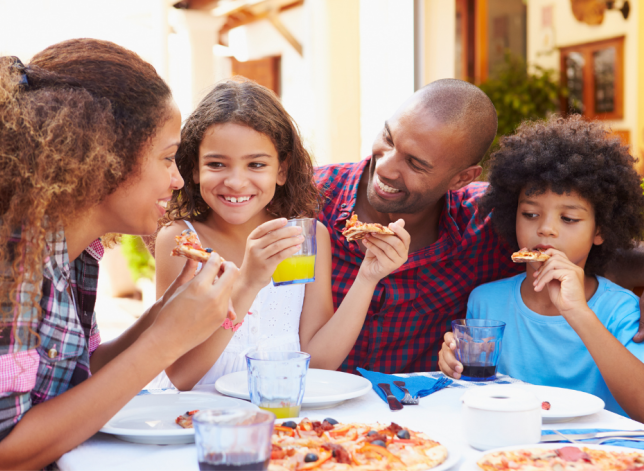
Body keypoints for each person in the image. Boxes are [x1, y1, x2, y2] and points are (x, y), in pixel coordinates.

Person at [0, 40, 239, 470]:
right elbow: (7, 452)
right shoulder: (13, 262)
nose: (179, 180)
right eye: (167, 158)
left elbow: (74, 376)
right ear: (107, 162)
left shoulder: (76, 255)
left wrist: (164, 314)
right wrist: (167, 343)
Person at [315, 78, 644, 375]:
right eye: (388, 138)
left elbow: (591, 244)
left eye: (415, 163)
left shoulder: (487, 222)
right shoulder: (309, 200)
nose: (385, 167)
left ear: (462, 179)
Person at [152, 78, 410, 391]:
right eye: (217, 164)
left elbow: (317, 362)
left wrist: (368, 277)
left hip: (281, 416)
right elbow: (183, 375)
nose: (236, 181)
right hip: (193, 418)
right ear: (193, 168)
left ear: (282, 170)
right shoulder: (183, 243)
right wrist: (247, 283)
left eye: (256, 164)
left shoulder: (305, 239)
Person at [438, 116, 644, 420]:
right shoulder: (486, 301)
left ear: (600, 230)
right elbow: (476, 395)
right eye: (530, 213)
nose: (546, 229)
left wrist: (578, 312)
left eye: (569, 219)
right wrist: (454, 369)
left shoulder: (620, 308)